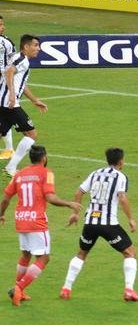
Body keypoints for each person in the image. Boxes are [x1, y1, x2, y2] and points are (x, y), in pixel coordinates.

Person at [0, 145, 81, 306]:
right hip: (36, 221)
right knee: (43, 258)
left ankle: (19, 291)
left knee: (25, 255)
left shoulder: (20, 174)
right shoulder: (46, 172)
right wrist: (69, 204)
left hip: (20, 219)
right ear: (44, 158)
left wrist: (1, 214)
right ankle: (19, 287)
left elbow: (6, 198)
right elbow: (50, 198)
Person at [60, 147, 138, 302]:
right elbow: (122, 198)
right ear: (121, 161)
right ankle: (129, 290)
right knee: (130, 253)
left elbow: (79, 192)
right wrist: (131, 219)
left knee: (81, 253)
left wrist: (75, 213)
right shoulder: (121, 177)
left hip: (90, 221)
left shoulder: (95, 173)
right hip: (108, 223)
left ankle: (66, 288)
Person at [1, 35, 47, 176]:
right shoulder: (21, 60)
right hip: (9, 104)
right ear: (26, 47)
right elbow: (9, 72)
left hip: (5, 102)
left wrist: (34, 100)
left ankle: (10, 167)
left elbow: (20, 83)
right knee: (31, 134)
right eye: (35, 45)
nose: (38, 48)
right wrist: (12, 95)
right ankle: (11, 168)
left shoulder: (21, 58)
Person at [0, 15, 14, 159]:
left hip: (2, 83)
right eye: (0, 25)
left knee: (3, 115)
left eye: (3, 24)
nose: (3, 27)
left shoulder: (5, 42)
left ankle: (9, 149)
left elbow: (10, 64)